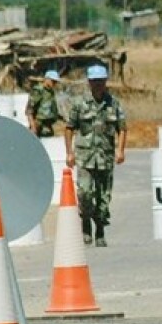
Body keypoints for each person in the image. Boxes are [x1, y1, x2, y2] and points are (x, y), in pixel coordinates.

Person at [64, 64, 128, 247]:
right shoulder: (79, 104)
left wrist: (121, 150)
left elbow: (122, 129)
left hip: (105, 156)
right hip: (85, 156)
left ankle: (100, 230)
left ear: (105, 82)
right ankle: (85, 225)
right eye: (94, 82)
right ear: (89, 83)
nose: (98, 85)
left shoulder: (113, 104)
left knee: (103, 197)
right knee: (84, 192)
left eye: (101, 81)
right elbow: (69, 128)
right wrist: (69, 153)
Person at [27, 69, 63, 137]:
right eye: (53, 81)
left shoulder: (50, 91)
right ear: (47, 79)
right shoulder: (38, 90)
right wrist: (33, 127)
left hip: (47, 125)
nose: (55, 83)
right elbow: (29, 110)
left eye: (56, 82)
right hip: (38, 125)